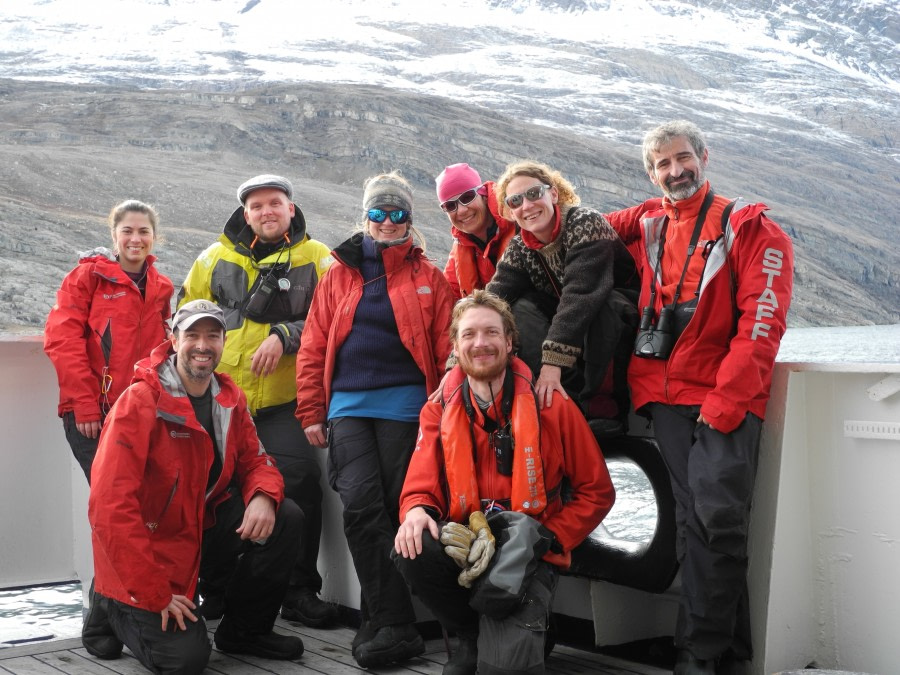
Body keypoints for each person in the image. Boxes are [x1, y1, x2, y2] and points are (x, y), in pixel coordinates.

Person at [607, 120, 794, 675]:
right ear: (650, 172)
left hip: (724, 398)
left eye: (683, 158)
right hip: (663, 396)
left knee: (716, 518)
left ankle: (698, 652)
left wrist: (725, 403)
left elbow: (762, 323)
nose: (675, 171)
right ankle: (725, 650)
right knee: (697, 520)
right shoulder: (644, 220)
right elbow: (571, 226)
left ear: (704, 157)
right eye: (662, 164)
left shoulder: (752, 229)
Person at [393, 290, 615, 675]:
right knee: (411, 547)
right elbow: (420, 483)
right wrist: (414, 509)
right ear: (456, 347)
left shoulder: (553, 406)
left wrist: (548, 539)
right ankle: (470, 636)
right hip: (468, 544)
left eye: (491, 333)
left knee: (505, 670)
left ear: (510, 342)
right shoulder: (438, 408)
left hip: (529, 550)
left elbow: (597, 492)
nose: (480, 344)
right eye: (469, 335)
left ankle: (529, 628)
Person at [85, 300, 305, 674]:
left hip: (199, 531)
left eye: (213, 336)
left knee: (286, 517)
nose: (203, 345)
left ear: (224, 342)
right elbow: (109, 507)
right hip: (153, 550)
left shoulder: (229, 399)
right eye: (192, 335)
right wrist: (155, 593)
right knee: (185, 661)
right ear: (173, 340)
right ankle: (111, 602)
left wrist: (264, 497)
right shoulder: (139, 402)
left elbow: (256, 460)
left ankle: (245, 631)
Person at [295, 171, 455, 668]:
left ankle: (381, 619)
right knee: (361, 506)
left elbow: (449, 349)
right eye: (378, 213)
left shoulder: (430, 276)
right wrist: (310, 410)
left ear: (410, 218)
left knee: (393, 505)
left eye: (398, 213)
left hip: (408, 406)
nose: (387, 222)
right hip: (347, 407)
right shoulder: (337, 274)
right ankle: (396, 624)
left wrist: (446, 411)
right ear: (365, 217)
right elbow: (314, 343)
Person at [178, 174, 336, 626]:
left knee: (302, 483)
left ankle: (300, 591)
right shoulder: (213, 259)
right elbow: (183, 321)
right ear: (245, 214)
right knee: (212, 491)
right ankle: (218, 588)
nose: (267, 211)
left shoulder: (318, 258)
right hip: (221, 402)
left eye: (275, 203)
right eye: (257, 206)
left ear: (291, 208)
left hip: (284, 403)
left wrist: (286, 335)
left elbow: (334, 320)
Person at [486, 160, 639, 436]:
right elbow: (494, 297)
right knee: (517, 309)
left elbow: (581, 294)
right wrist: (459, 357)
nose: (527, 205)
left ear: (553, 194)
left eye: (534, 194)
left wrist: (552, 362)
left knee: (604, 307)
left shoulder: (585, 222)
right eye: (515, 201)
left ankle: (604, 407)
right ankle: (563, 398)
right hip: (568, 318)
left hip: (614, 310)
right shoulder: (520, 246)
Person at [44, 199, 173, 483]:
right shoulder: (87, 277)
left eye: (144, 231)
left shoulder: (161, 286)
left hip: (142, 412)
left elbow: (163, 349)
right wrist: (85, 405)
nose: (135, 239)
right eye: (127, 231)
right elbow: (62, 340)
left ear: (154, 236)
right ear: (114, 235)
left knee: (146, 503)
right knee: (111, 501)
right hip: (94, 413)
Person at [435, 162, 517, 298]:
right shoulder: (460, 248)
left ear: (484, 195)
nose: (461, 210)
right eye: (450, 206)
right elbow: (446, 298)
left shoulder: (519, 221)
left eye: (467, 197)